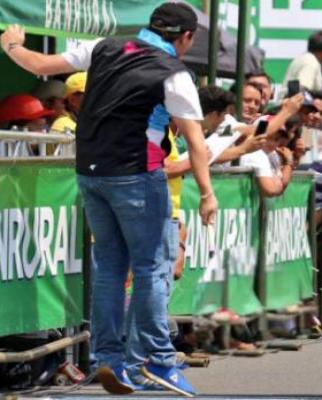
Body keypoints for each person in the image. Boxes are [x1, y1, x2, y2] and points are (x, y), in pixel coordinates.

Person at [0, 3, 217, 395]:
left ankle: (109, 361)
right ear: (186, 37)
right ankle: (156, 361)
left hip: (91, 175)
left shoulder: (104, 46)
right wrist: (207, 193)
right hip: (138, 176)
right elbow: (197, 142)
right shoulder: (174, 73)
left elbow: (40, 65)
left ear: (151, 26)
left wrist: (12, 46)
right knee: (151, 270)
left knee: (110, 270)